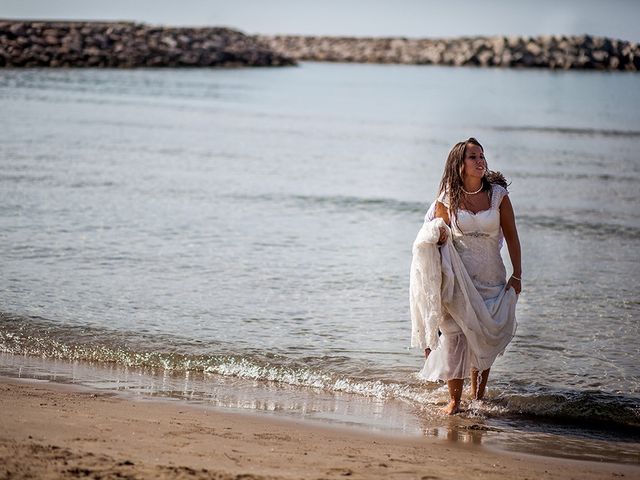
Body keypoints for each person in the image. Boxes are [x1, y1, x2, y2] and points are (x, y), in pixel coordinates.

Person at [410, 137, 521, 415]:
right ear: (459, 164)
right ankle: (455, 401)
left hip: (491, 275)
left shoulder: (498, 196)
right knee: (456, 335)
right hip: (458, 277)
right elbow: (439, 233)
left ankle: (478, 396)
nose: (480, 160)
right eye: (473, 157)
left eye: (482, 155)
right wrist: (439, 234)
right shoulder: (447, 198)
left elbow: (512, 236)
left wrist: (517, 274)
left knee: (482, 334)